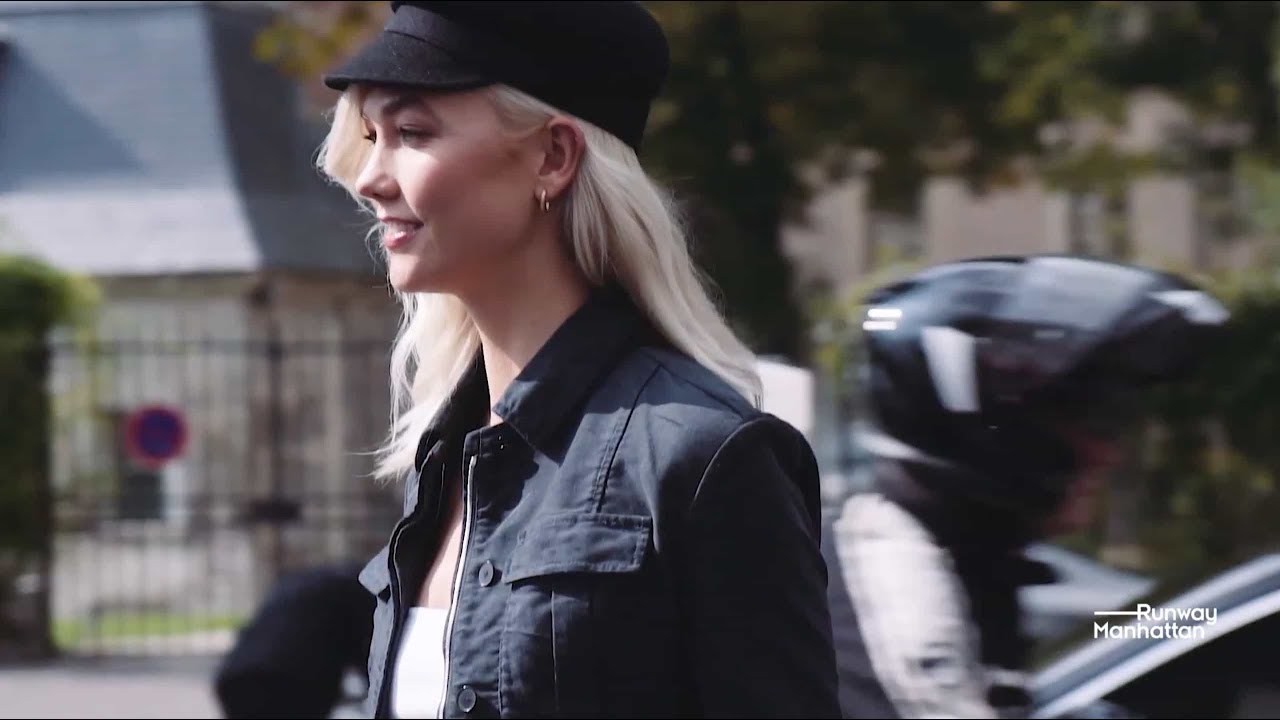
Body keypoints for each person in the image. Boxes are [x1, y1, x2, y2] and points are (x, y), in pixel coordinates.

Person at [315, 2, 841, 718]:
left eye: (411, 133)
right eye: (372, 136)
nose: (370, 178)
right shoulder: (443, 465)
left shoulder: (706, 457)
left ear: (554, 157)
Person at [822, 254, 1231, 719]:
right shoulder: (898, 599)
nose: (1109, 452)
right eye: (1092, 418)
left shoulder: (972, 569)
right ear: (1000, 425)